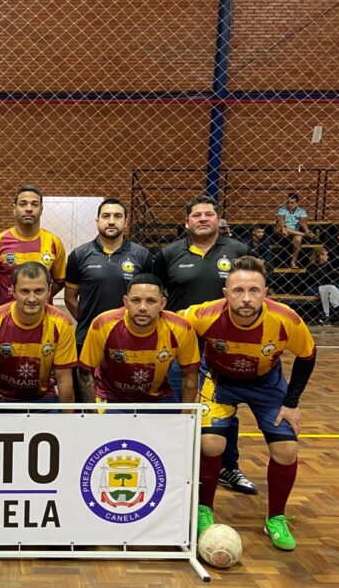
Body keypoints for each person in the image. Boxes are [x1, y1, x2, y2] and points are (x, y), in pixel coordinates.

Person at [182, 256, 316, 551]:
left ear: (266, 293)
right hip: (218, 381)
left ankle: (276, 518)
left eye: (254, 291)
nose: (246, 298)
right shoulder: (205, 314)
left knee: (286, 449)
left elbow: (307, 356)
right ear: (225, 293)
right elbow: (173, 325)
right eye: (238, 291)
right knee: (211, 445)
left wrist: (291, 403)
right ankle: (204, 509)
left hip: (266, 384)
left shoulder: (286, 319)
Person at [153, 194, 256, 496]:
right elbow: (158, 297)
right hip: (179, 348)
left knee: (225, 408)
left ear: (218, 220)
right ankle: (174, 464)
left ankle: (229, 466)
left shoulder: (238, 252)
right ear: (186, 222)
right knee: (177, 406)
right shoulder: (169, 254)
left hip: (225, 348)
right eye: (196, 215)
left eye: (208, 214)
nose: (202, 219)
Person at [78, 274, 200, 407]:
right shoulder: (102, 324)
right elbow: (85, 372)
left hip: (158, 398)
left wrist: (185, 418)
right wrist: (93, 415)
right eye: (135, 300)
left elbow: (190, 376)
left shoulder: (181, 328)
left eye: (151, 301)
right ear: (125, 302)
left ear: (162, 303)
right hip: (111, 398)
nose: (142, 307)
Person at [0, 262, 76, 408]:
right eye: (25, 291)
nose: (32, 299)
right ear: (13, 291)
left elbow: (64, 380)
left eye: (39, 291)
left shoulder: (62, 323)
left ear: (49, 291)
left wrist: (67, 425)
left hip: (42, 399)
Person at [64, 198, 152, 352]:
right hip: (88, 337)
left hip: (130, 336)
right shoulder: (79, 255)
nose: (111, 221)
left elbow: (150, 297)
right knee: (85, 377)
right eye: (106, 216)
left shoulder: (142, 255)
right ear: (97, 221)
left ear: (126, 222)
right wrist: (91, 323)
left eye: (117, 216)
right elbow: (70, 298)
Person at [0, 185, 67, 304]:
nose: (29, 209)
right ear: (14, 208)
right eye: (23, 204)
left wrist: (39, 297)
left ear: (41, 209)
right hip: (6, 317)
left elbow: (59, 281)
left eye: (34, 204)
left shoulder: (54, 242)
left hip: (43, 316)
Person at [304, 247, 339, 324]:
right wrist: (337, 291)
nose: (328, 257)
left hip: (325, 289)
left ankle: (325, 317)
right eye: (326, 255)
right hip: (311, 289)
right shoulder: (311, 266)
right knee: (330, 288)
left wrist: (337, 290)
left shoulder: (326, 266)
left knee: (328, 291)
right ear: (320, 256)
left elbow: (330, 281)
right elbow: (318, 281)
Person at [275, 192, 312, 268]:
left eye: (292, 203)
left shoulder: (301, 211)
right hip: (282, 231)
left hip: (294, 233)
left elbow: (303, 223)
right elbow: (281, 219)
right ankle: (303, 234)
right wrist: (283, 227)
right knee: (283, 229)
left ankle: (293, 262)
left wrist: (307, 231)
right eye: (288, 202)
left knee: (298, 238)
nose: (289, 204)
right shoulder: (281, 209)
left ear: (297, 203)